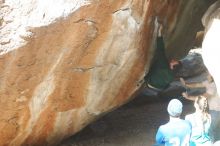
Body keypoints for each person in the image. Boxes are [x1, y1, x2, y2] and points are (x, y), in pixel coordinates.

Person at [145, 23, 181, 94]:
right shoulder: (172, 75)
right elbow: (167, 85)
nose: (173, 60)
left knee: (156, 64)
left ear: (172, 67)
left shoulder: (163, 64)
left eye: (174, 62)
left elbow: (160, 49)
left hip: (150, 83)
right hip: (160, 88)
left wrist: (159, 32)